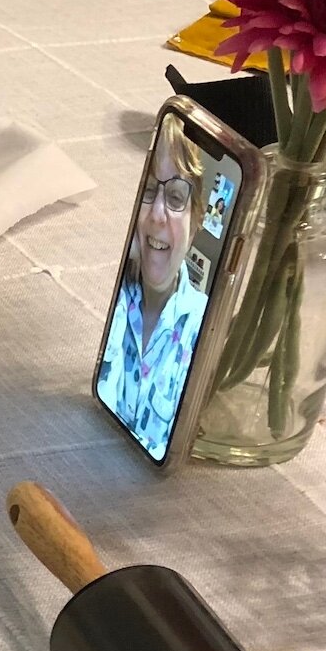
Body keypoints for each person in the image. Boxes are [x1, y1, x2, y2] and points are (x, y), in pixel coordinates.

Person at [97, 118, 210, 459]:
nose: (157, 214)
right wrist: (135, 253)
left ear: (196, 224)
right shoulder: (117, 298)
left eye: (176, 197)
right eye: (148, 192)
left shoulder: (200, 325)